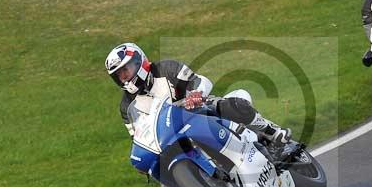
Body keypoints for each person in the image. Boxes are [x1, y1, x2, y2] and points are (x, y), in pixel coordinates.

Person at [105, 42, 291, 144]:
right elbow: (136, 138)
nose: (124, 78)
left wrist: (195, 94)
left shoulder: (166, 68)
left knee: (232, 105)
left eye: (125, 70)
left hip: (198, 113)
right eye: (118, 75)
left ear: (139, 62)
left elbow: (201, 81)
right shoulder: (126, 106)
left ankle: (273, 132)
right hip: (174, 138)